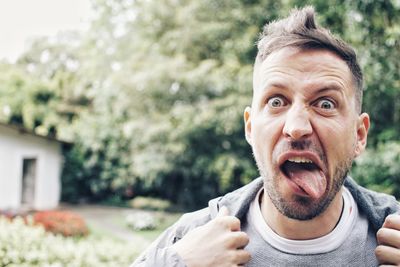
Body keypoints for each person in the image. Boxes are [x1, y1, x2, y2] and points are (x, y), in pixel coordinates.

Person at [132, 7, 400, 267]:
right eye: (276, 101)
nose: (296, 127)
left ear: (359, 134)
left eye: (325, 104)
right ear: (250, 128)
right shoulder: (191, 238)